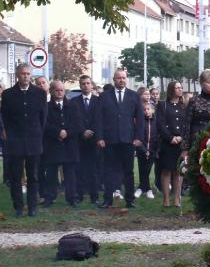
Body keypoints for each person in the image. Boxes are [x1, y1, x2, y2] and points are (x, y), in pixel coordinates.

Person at [0, 63, 48, 217]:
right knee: (15, 176)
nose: (25, 76)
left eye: (28, 74)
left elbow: (43, 117)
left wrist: (37, 133)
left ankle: (32, 206)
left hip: (34, 140)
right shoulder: (8, 94)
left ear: (31, 75)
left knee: (33, 176)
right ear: (17, 75)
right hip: (15, 141)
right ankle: (18, 207)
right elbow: (5, 118)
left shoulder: (39, 93)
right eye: (22, 74)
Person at [95, 68, 144, 208]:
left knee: (128, 171)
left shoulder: (134, 96)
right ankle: (107, 200)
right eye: (118, 78)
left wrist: (138, 137)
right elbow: (98, 119)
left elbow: (140, 119)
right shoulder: (104, 96)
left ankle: (130, 200)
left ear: (126, 79)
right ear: (114, 79)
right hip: (109, 140)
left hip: (128, 140)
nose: (121, 80)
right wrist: (99, 137)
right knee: (109, 171)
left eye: (123, 78)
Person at [42, 81, 82, 207]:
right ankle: (50, 197)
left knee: (70, 173)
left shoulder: (73, 106)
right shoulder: (46, 107)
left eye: (62, 90)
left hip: (69, 144)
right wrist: (58, 132)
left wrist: (67, 132)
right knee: (51, 173)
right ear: (52, 91)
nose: (59, 93)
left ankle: (72, 197)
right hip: (53, 144)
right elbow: (44, 124)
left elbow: (77, 124)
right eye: (57, 90)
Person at [182, 69, 210, 157]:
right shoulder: (194, 101)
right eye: (209, 82)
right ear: (202, 83)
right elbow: (186, 125)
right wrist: (185, 148)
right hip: (196, 142)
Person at [71, 75, 101, 205]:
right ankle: (80, 195)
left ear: (92, 85)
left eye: (88, 83)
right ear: (80, 85)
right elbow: (74, 121)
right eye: (83, 83)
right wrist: (83, 131)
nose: (86, 85)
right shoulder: (74, 102)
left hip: (94, 140)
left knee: (94, 170)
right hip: (79, 140)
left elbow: (100, 119)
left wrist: (92, 131)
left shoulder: (99, 101)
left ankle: (94, 196)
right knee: (79, 169)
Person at [156, 81, 186, 207]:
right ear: (171, 90)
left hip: (180, 143)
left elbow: (187, 123)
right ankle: (166, 200)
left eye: (181, 87)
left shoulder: (184, 105)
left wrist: (181, 137)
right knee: (167, 171)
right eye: (177, 88)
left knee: (178, 171)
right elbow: (160, 124)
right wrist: (170, 138)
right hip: (168, 143)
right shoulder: (163, 105)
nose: (180, 90)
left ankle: (177, 199)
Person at [136, 103, 158, 199]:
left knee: (147, 170)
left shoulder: (156, 122)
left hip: (152, 150)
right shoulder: (140, 122)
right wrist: (144, 150)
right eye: (144, 109)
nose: (146, 111)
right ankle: (146, 189)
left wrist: (153, 151)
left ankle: (143, 187)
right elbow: (138, 137)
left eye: (148, 109)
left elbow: (158, 137)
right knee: (142, 169)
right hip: (141, 150)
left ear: (153, 110)